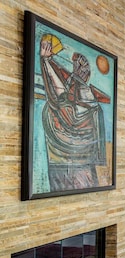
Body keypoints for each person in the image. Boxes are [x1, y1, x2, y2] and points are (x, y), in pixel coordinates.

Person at [39, 35, 110, 191]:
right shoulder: (67, 107)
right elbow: (58, 93)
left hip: (79, 163)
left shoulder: (83, 106)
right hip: (64, 164)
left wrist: (47, 62)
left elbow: (60, 93)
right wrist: (46, 62)